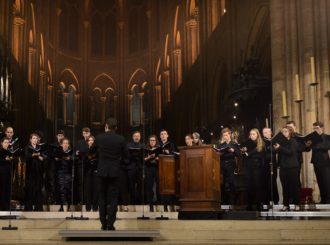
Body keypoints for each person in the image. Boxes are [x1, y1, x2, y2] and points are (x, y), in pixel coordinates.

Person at [95, 118, 128, 231]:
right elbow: (126, 156)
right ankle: (110, 224)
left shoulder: (99, 137)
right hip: (115, 171)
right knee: (114, 198)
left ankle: (103, 223)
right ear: (116, 127)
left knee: (102, 197)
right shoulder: (121, 139)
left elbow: (91, 152)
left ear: (107, 126)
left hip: (102, 171)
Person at [274, 126, 301, 211]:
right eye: (283, 132)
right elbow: (280, 152)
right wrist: (276, 148)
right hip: (283, 167)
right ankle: (286, 205)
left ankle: (297, 204)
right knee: (285, 186)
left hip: (292, 167)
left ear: (290, 132)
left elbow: (291, 152)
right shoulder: (281, 142)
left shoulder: (293, 141)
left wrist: (280, 148)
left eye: (286, 131)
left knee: (294, 186)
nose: (284, 133)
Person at [241, 129, 265, 211]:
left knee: (257, 185)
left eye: (254, 134)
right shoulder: (246, 143)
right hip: (248, 166)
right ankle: (249, 204)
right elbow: (244, 155)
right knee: (248, 185)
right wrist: (244, 152)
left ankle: (259, 204)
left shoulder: (261, 143)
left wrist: (250, 154)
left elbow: (261, 155)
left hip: (257, 167)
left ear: (257, 135)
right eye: (251, 134)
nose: (252, 135)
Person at [216, 128, 240, 205]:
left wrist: (233, 151)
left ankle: (233, 200)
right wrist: (218, 154)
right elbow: (218, 153)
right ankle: (223, 200)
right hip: (222, 164)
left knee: (231, 182)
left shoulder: (234, 144)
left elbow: (239, 154)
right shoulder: (221, 145)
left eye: (226, 135)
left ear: (229, 135)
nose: (225, 137)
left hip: (231, 164)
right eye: (224, 135)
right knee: (222, 183)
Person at [309, 122, 330, 204]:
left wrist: (316, 146)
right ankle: (323, 199)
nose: (315, 130)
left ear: (321, 128)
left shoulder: (327, 137)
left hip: (325, 163)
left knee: (327, 182)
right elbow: (309, 147)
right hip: (316, 162)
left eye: (317, 128)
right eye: (314, 128)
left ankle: (328, 200)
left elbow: (327, 146)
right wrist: (308, 144)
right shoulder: (312, 138)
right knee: (320, 181)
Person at [24, 133, 45, 211]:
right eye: (33, 138)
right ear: (30, 139)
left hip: (38, 172)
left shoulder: (40, 148)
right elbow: (27, 156)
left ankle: (38, 207)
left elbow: (43, 157)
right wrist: (35, 155)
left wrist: (40, 157)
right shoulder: (27, 147)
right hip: (30, 172)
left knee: (38, 189)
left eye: (36, 138)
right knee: (30, 189)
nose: (35, 140)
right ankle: (28, 207)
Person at [54, 137, 73, 212]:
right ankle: (62, 206)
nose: (65, 144)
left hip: (68, 173)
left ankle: (68, 206)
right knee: (61, 189)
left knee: (68, 189)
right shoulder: (58, 152)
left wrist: (70, 158)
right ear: (61, 144)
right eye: (64, 143)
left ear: (68, 145)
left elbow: (74, 159)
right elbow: (55, 160)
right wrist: (57, 159)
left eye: (66, 143)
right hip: (60, 172)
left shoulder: (71, 152)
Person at [262, 127, 279, 205]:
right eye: (264, 132)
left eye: (267, 132)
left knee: (273, 181)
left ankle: (275, 200)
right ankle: (267, 200)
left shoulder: (274, 141)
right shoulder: (262, 141)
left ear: (271, 133)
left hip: (273, 164)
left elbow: (277, 150)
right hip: (265, 164)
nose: (266, 134)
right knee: (266, 182)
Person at [145, 135, 161, 211]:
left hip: (157, 168)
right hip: (149, 168)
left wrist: (157, 157)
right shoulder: (146, 149)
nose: (152, 142)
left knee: (159, 185)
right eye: (151, 140)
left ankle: (159, 202)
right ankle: (150, 203)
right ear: (149, 141)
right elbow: (143, 159)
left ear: (156, 141)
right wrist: (149, 157)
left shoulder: (159, 148)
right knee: (149, 186)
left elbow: (161, 158)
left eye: (153, 140)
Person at [76, 127, 91, 205]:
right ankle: (82, 200)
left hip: (90, 165)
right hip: (81, 164)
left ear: (89, 133)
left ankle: (89, 200)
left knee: (88, 183)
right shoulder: (80, 142)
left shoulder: (92, 141)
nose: (85, 135)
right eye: (84, 133)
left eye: (87, 133)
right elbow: (77, 152)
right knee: (81, 183)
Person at [85, 136, 98, 211]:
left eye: (92, 140)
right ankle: (88, 208)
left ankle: (95, 208)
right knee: (88, 191)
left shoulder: (97, 151)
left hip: (96, 172)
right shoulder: (85, 150)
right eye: (89, 140)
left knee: (95, 190)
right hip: (87, 173)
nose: (90, 141)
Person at [0, 138, 13, 210]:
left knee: (7, 190)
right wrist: (5, 160)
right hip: (1, 173)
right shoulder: (0, 151)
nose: (6, 144)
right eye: (5, 142)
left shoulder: (9, 152)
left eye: (8, 142)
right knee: (2, 189)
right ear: (1, 143)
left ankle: (6, 208)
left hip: (8, 173)